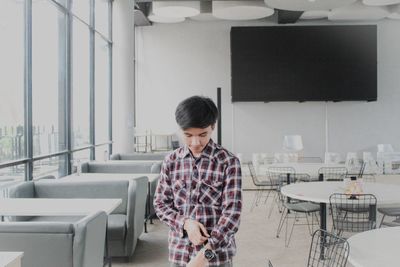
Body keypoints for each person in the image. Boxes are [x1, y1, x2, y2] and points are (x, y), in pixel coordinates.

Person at [154, 95, 242, 267]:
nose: (195, 142)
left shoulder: (228, 162)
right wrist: (186, 223)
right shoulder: (171, 161)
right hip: (179, 254)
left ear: (213, 127)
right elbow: (160, 204)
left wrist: (205, 254)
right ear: (180, 130)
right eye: (188, 135)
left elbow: (232, 214)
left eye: (202, 134)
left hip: (217, 258)